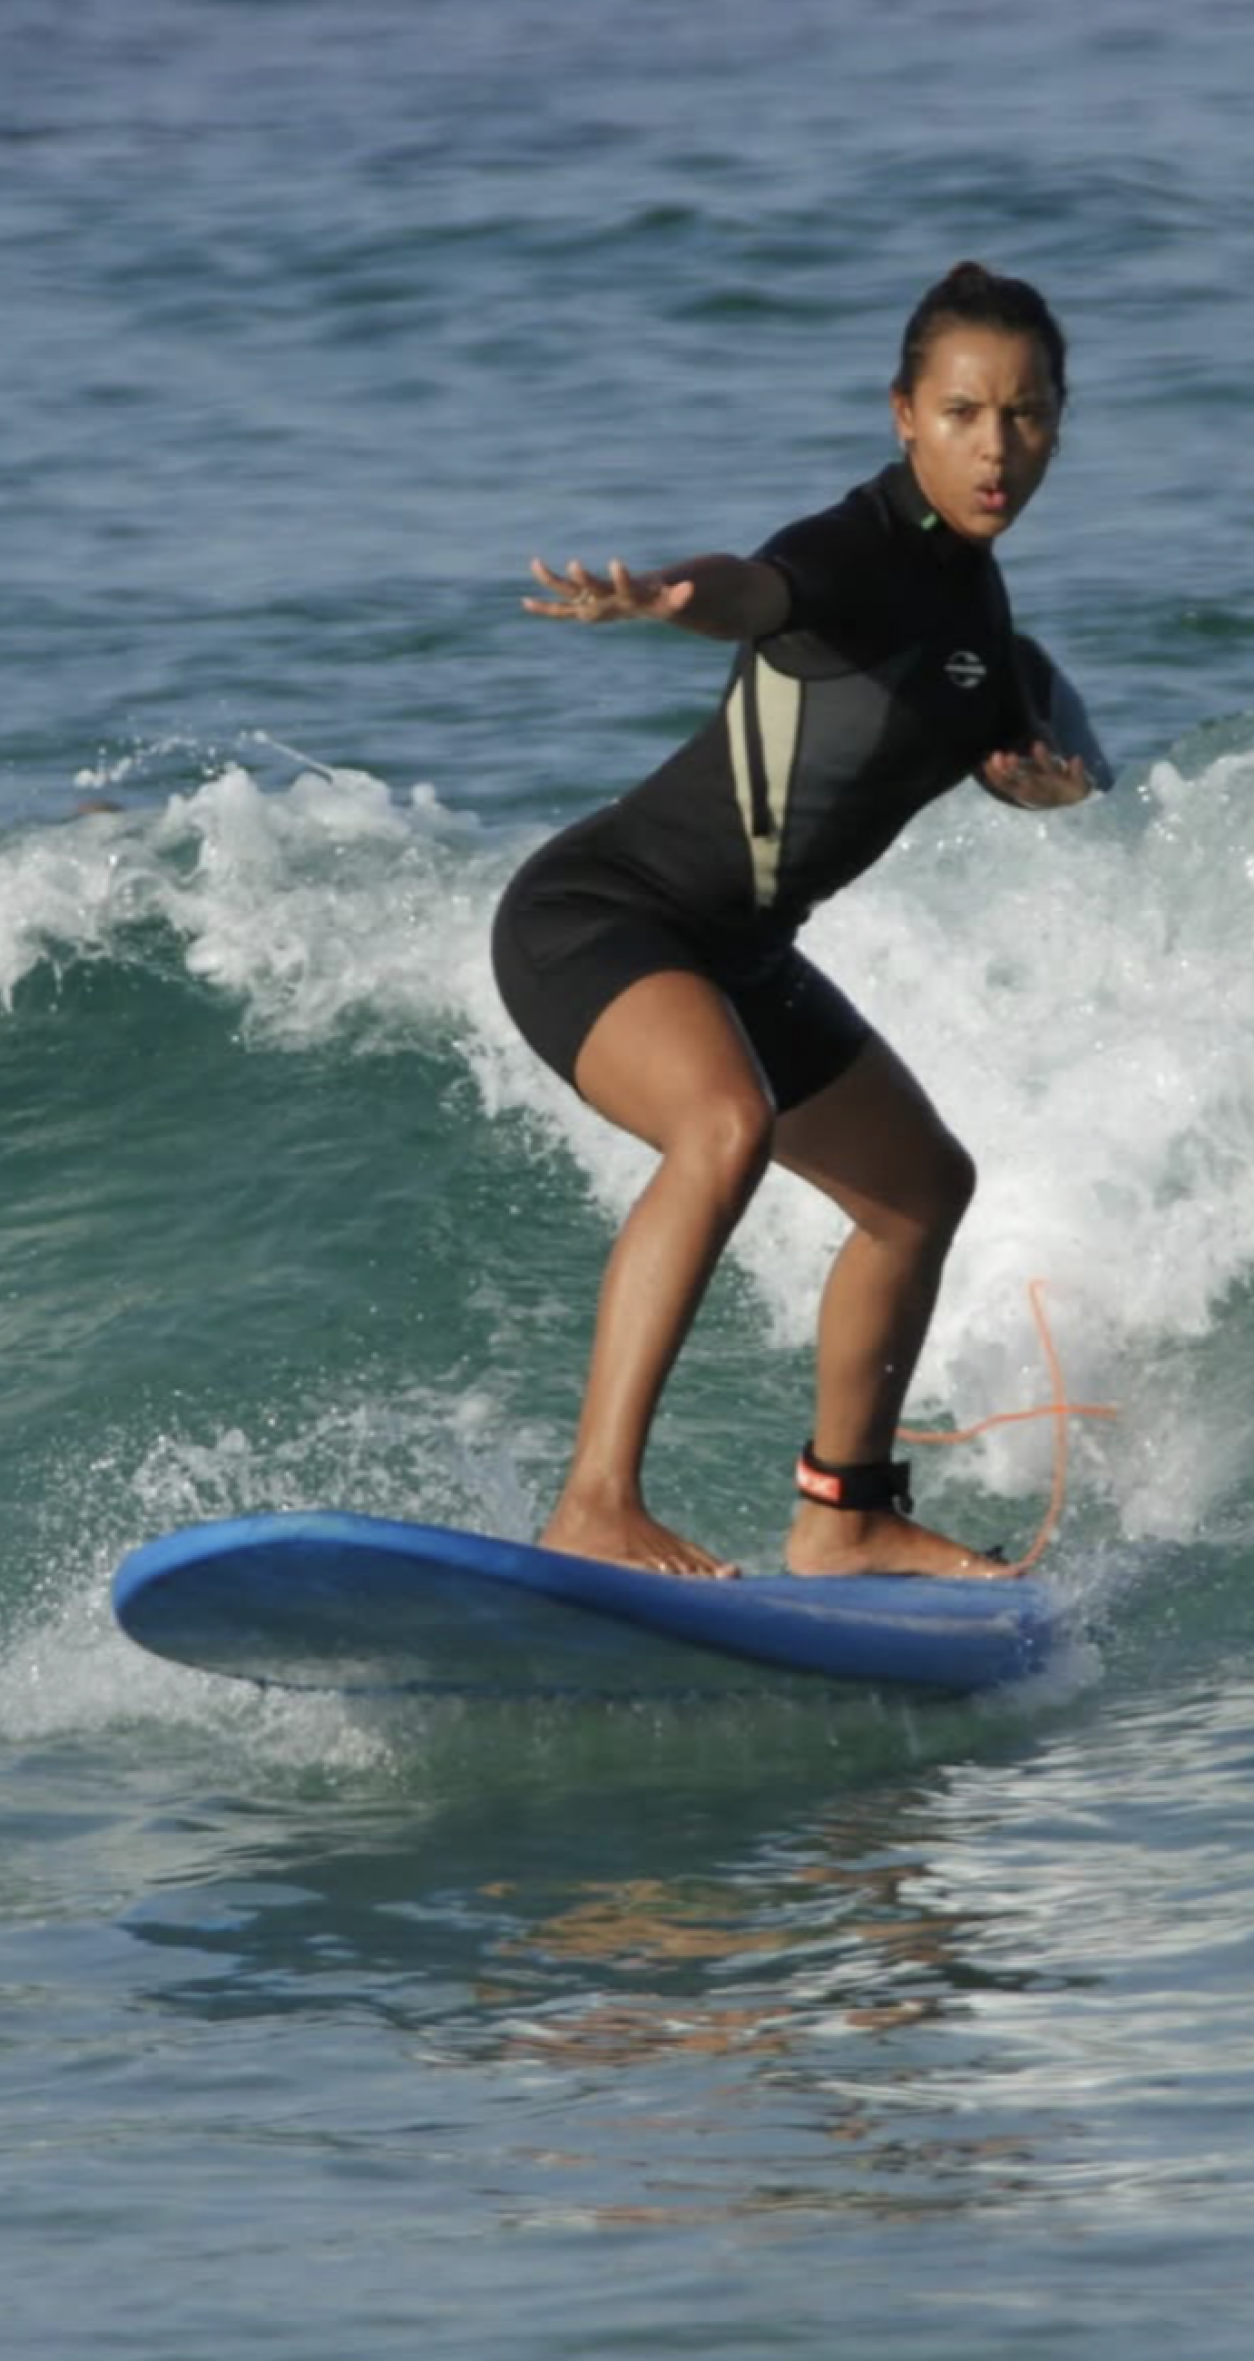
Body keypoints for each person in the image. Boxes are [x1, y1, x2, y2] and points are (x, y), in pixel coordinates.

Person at [491, 260, 1103, 1582]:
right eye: (961, 412)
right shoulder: (858, 549)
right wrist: (662, 597)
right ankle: (595, 1499)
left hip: (738, 954)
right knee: (725, 1125)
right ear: (902, 413)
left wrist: (1046, 782)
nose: (996, 446)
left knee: (922, 1191)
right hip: (604, 916)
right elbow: (757, 589)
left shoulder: (983, 625)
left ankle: (846, 1512)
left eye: (1027, 413)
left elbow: (1030, 745)